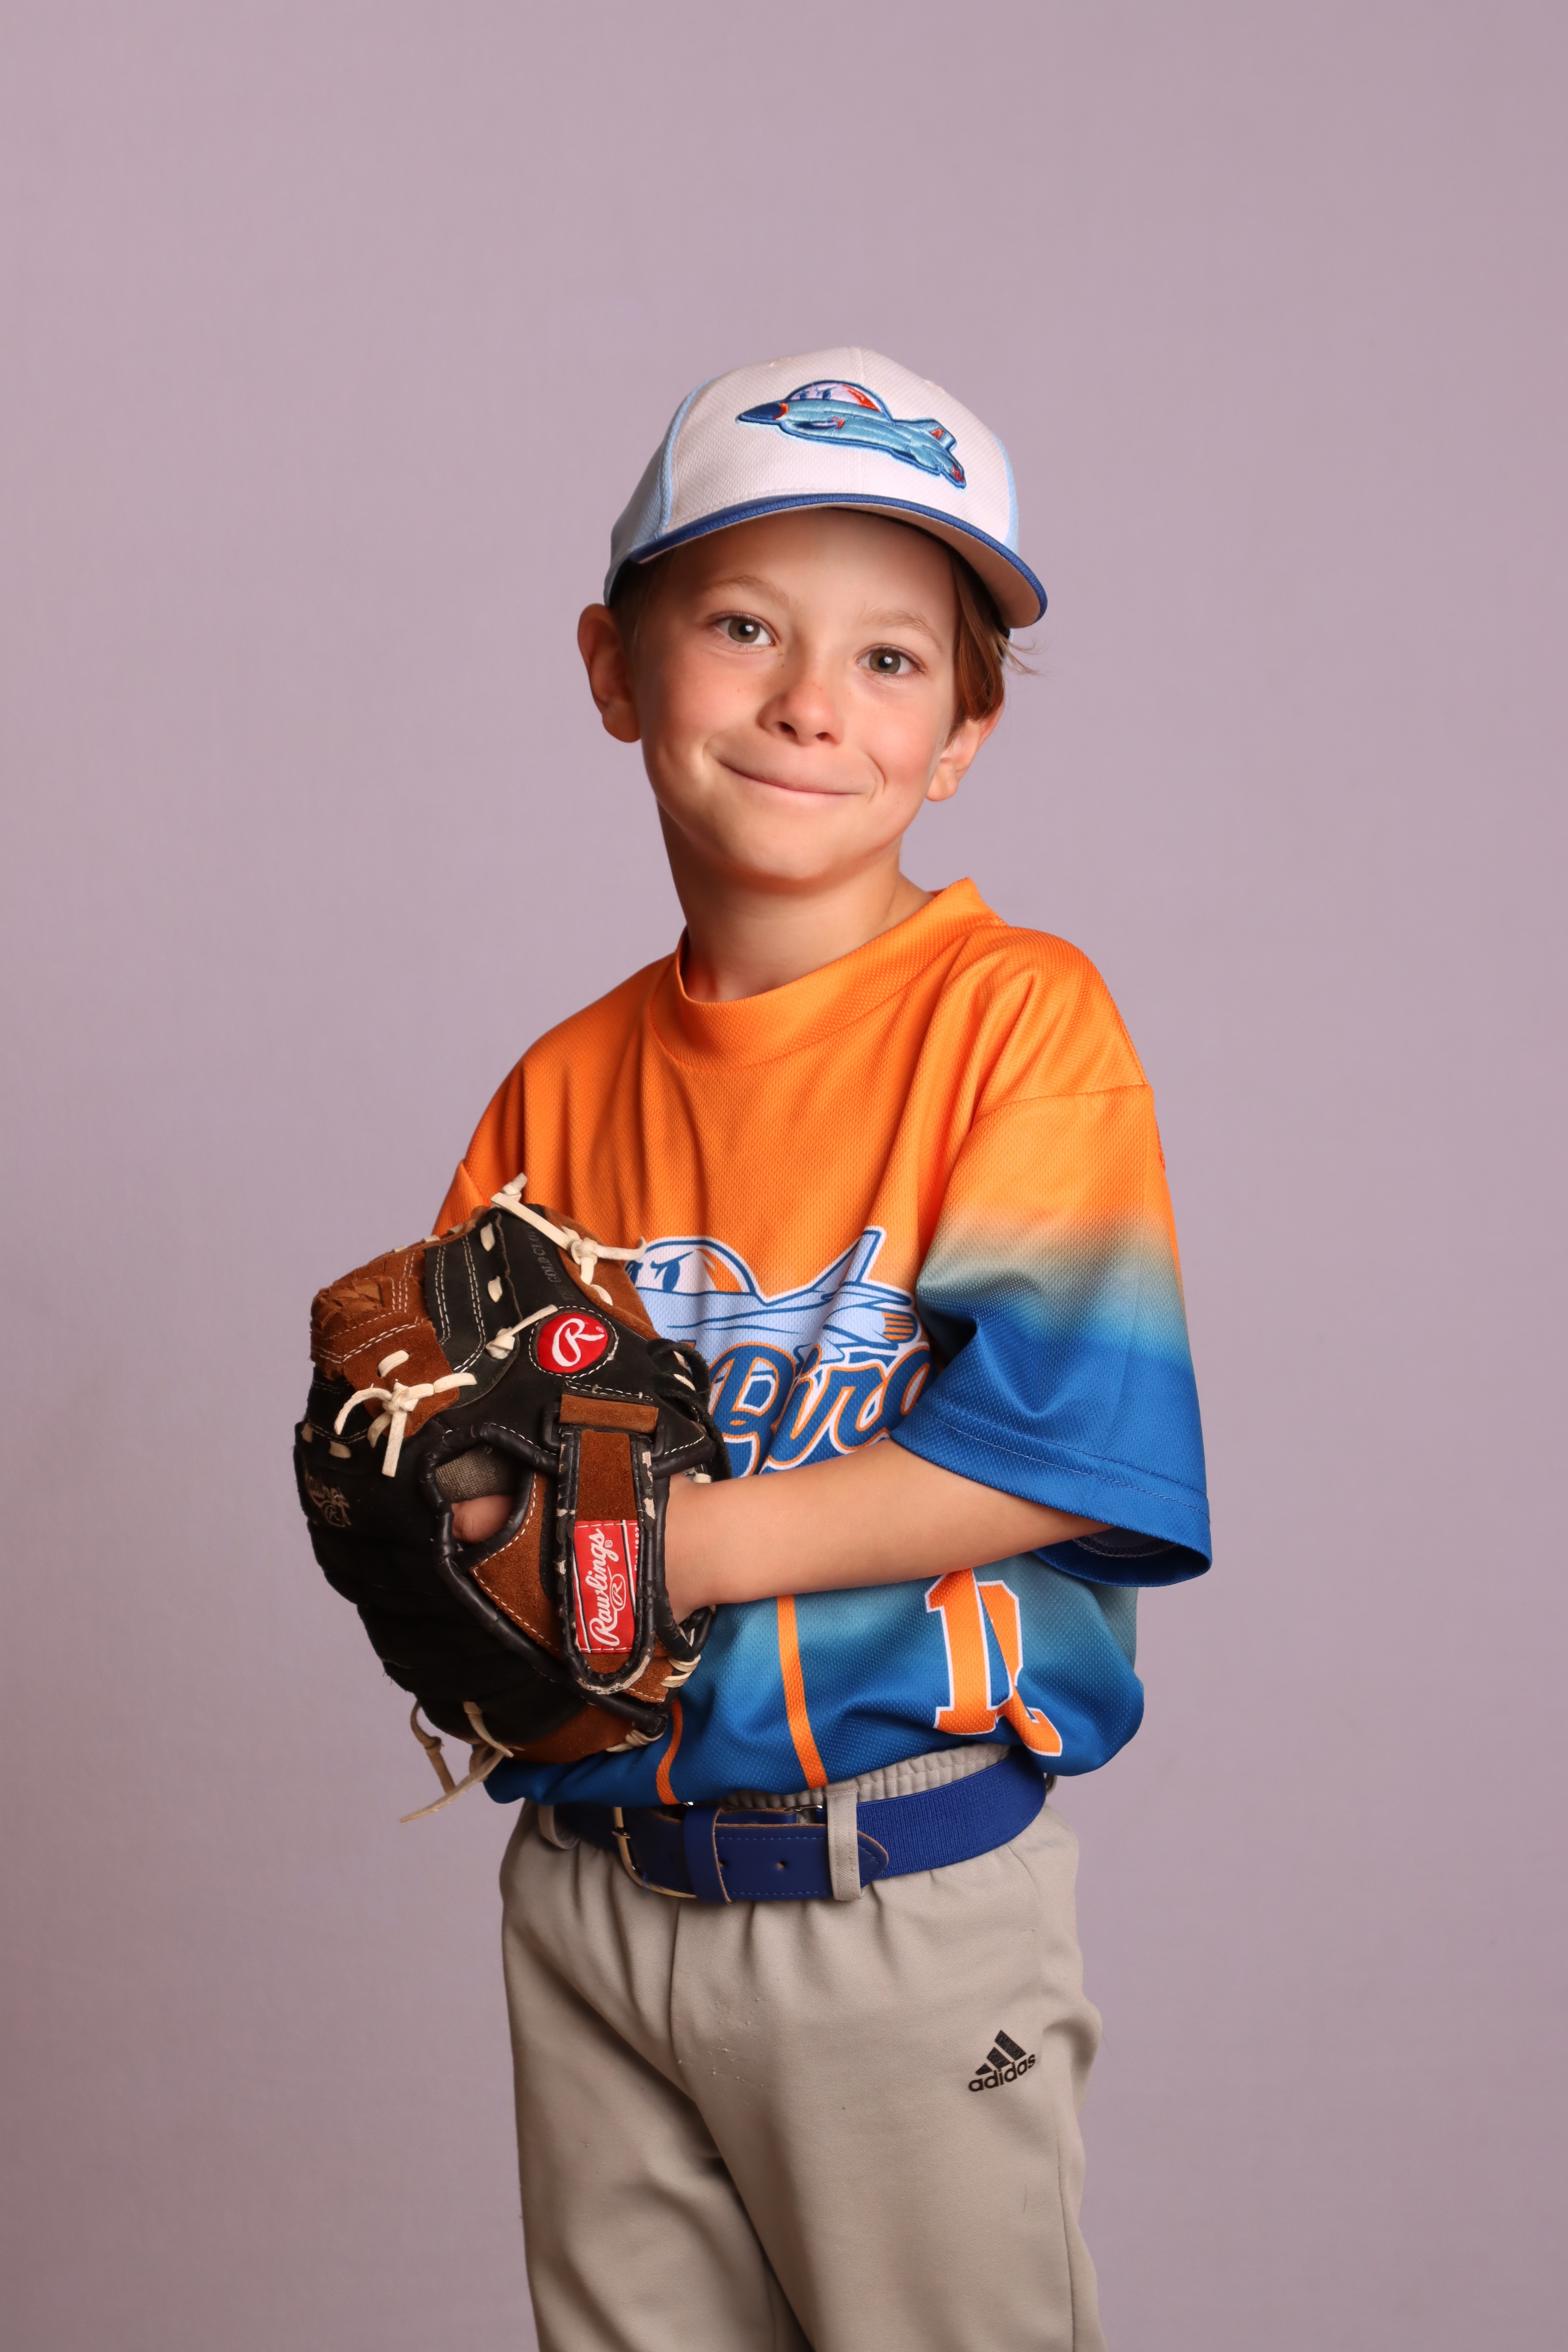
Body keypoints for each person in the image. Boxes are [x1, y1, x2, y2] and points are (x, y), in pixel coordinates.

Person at [433, 348, 1210, 2352]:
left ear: (959, 737)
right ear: (613, 667)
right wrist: (447, 1534)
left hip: (895, 1899)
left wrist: (654, 1550)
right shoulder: (557, 1089)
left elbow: (1050, 1446)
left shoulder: (1012, 1020)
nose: (809, 701)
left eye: (889, 659)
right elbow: (460, 1470)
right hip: (588, 1882)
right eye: (743, 626)